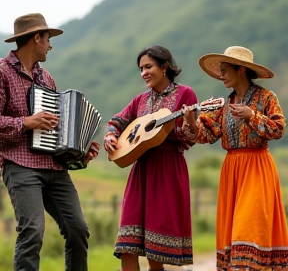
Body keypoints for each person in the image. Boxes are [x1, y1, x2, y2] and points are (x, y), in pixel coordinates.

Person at [0, 13, 100, 271]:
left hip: (55, 168)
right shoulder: (1, 73)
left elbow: (56, 131)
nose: (50, 45)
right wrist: (26, 122)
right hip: (19, 164)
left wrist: (80, 153)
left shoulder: (48, 79)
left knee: (78, 229)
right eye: (47, 39)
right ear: (36, 38)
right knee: (32, 230)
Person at [104, 45, 199, 271]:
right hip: (142, 169)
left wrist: (191, 123)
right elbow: (117, 120)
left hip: (168, 170)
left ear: (164, 66)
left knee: (156, 250)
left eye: (148, 67)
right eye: (141, 69)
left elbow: (190, 139)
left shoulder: (186, 94)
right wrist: (110, 135)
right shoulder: (140, 100)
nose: (143, 73)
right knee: (127, 245)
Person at [193, 46, 288, 270]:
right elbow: (206, 135)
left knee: (247, 229)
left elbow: (278, 129)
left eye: (225, 70)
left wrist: (251, 115)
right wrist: (191, 121)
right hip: (232, 170)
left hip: (257, 168)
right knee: (233, 231)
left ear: (241, 70)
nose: (221, 75)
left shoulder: (266, 97)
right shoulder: (225, 105)